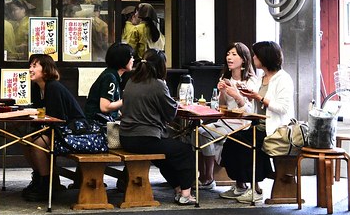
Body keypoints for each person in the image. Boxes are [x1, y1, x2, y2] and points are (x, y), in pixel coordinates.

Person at [220, 40, 294, 204]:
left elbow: (282, 108)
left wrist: (258, 97)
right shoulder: (262, 78)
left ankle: (256, 188)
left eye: (256, 55)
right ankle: (240, 184)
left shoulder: (283, 78)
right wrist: (247, 94)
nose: (253, 58)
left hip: (275, 127)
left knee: (248, 144)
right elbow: (254, 105)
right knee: (232, 141)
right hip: (257, 124)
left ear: (265, 57)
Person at [119, 49, 196, 205]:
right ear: (161, 66)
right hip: (145, 139)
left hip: (126, 138)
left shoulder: (131, 81)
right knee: (185, 150)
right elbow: (170, 113)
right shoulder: (158, 84)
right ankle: (186, 194)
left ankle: (178, 188)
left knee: (166, 156)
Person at [21, 53, 85, 201]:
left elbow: (58, 120)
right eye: (30, 65)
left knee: (36, 142)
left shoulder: (53, 87)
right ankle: (38, 177)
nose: (30, 69)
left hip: (72, 132)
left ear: (45, 70)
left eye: (34, 66)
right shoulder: (38, 87)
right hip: (55, 129)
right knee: (24, 140)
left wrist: (35, 115)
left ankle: (46, 183)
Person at [199, 42, 258, 190]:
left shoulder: (251, 81)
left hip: (241, 124)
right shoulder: (226, 78)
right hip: (225, 121)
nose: (229, 58)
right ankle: (206, 175)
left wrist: (237, 95)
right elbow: (222, 106)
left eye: (234, 54)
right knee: (197, 132)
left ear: (244, 59)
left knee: (204, 133)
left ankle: (209, 176)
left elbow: (249, 109)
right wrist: (223, 92)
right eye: (228, 54)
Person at [84, 42, 134, 121]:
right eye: (131, 57)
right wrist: (127, 99)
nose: (133, 60)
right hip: (97, 124)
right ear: (122, 59)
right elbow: (105, 107)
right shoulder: (110, 77)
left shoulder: (112, 75)